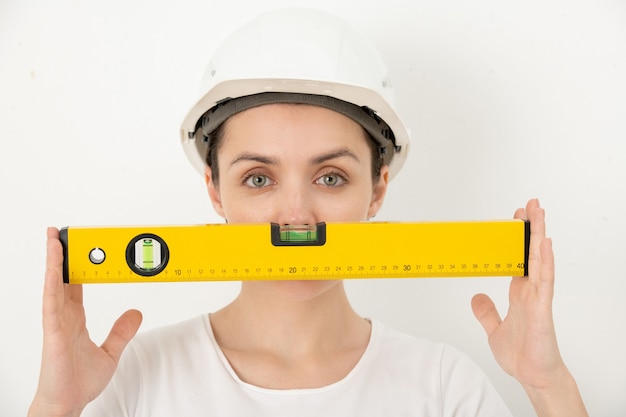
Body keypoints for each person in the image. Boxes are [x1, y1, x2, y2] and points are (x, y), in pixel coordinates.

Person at [28, 8, 588, 417]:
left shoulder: (442, 386)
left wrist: (547, 384)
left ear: (377, 190)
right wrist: (56, 406)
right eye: (258, 178)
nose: (296, 216)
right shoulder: (134, 379)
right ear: (215, 191)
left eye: (330, 177)